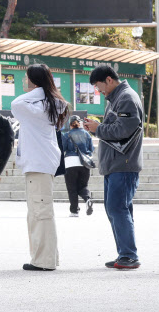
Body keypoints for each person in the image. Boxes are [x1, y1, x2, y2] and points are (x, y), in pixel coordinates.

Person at [84, 65, 143, 270]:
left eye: (98, 87)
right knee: (116, 209)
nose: (98, 92)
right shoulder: (117, 98)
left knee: (118, 208)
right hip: (116, 164)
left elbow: (124, 128)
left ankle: (129, 255)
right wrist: (98, 126)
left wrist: (98, 128)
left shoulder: (126, 97)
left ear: (109, 80)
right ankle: (124, 254)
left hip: (123, 164)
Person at [11, 64, 68, 272]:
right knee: (39, 212)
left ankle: (44, 261)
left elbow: (15, 103)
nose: (23, 82)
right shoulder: (48, 104)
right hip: (41, 163)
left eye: (26, 78)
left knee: (40, 213)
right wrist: (43, 89)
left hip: (38, 164)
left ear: (34, 82)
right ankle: (47, 257)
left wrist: (38, 89)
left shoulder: (35, 106)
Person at [62, 116, 94, 217]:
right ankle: (87, 198)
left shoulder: (66, 135)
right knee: (83, 186)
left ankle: (74, 211)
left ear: (70, 124)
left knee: (72, 188)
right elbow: (91, 149)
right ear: (79, 123)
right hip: (84, 164)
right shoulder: (86, 134)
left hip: (70, 163)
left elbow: (62, 149)